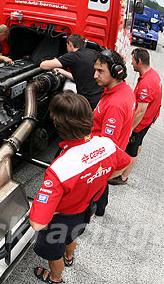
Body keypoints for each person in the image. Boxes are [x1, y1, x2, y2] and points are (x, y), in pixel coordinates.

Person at [30, 92, 130, 284]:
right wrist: (100, 179)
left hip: (60, 220)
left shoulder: (60, 169)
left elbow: (37, 223)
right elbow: (123, 164)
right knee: (72, 237)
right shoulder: (107, 145)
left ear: (58, 125)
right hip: (84, 212)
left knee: (53, 254)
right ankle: (69, 257)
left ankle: (55, 277)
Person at [91, 49, 135, 214]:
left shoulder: (115, 105)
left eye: (100, 71)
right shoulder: (124, 90)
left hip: (100, 162)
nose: (95, 75)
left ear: (117, 72)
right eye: (95, 70)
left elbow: (105, 146)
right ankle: (101, 208)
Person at [109, 48, 162, 185]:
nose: (131, 63)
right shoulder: (153, 75)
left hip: (140, 124)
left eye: (133, 60)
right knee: (137, 146)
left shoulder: (146, 84)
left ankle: (122, 177)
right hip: (148, 121)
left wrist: (130, 128)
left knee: (131, 151)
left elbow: (141, 111)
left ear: (139, 61)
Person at [40, 34, 103, 110]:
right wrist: (62, 71)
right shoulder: (92, 52)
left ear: (70, 44)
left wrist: (50, 60)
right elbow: (81, 78)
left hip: (89, 101)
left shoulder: (73, 56)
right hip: (101, 98)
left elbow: (43, 65)